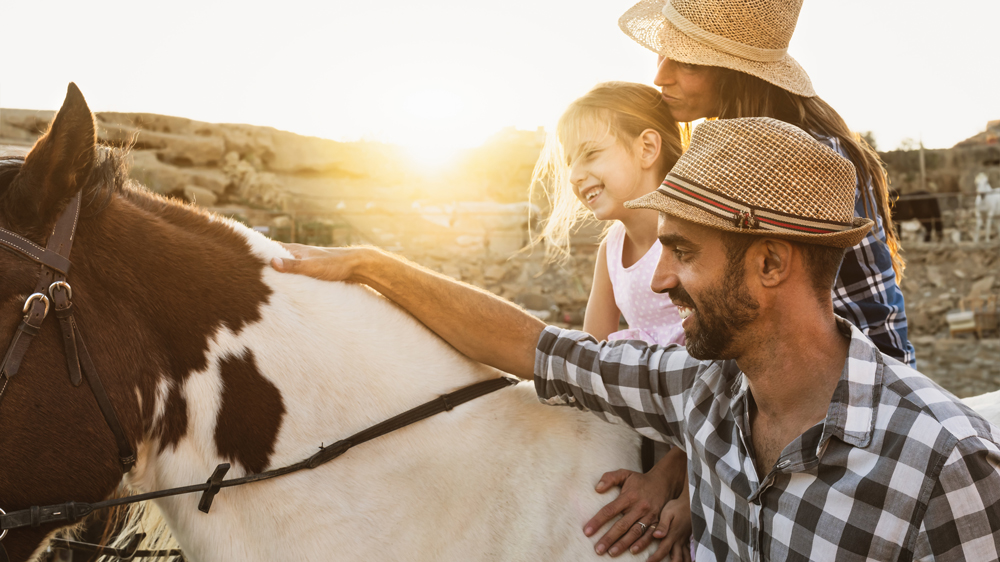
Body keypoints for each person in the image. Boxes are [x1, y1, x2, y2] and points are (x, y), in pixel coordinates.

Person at [272, 117, 1000, 560]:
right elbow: (534, 348)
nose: (657, 282)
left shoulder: (945, 464)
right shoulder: (701, 390)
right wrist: (375, 266)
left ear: (771, 263)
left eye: (683, 252)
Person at [531, 81, 692, 560]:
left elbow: (730, 382)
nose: (577, 175)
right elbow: (590, 358)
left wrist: (684, 491)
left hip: (710, 445)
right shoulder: (610, 250)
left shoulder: (692, 237)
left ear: (647, 147)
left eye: (590, 154)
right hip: (645, 429)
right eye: (569, 163)